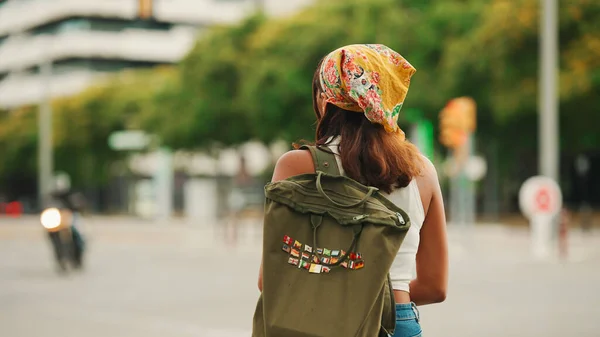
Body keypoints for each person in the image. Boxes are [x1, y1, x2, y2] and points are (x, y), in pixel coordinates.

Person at [257, 44, 448, 336]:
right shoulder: (422, 171)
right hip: (397, 322)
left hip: (319, 323)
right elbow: (435, 287)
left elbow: (270, 279)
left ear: (325, 98)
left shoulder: (297, 166)